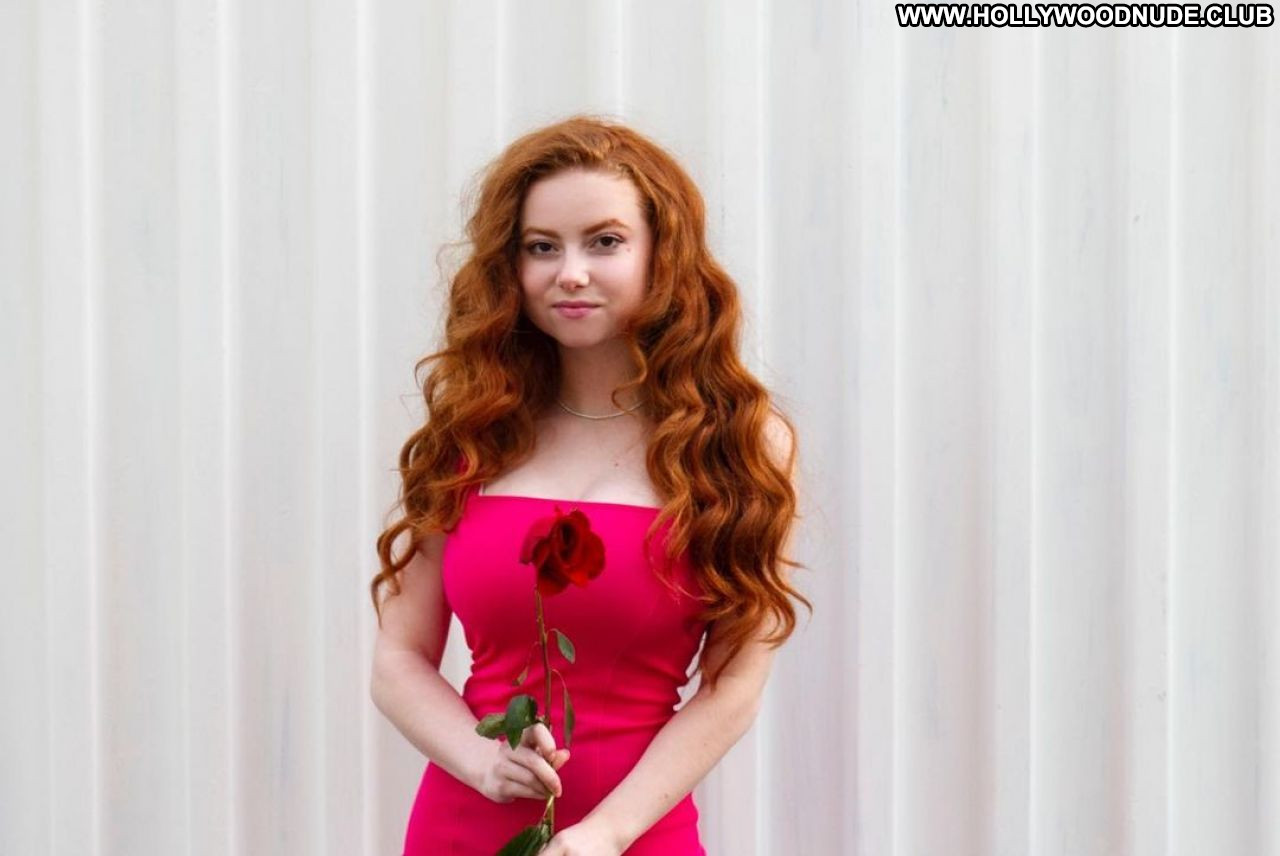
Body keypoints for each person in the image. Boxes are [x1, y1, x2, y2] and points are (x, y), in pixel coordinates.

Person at [369, 114, 812, 855]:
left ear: (662, 254)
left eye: (604, 242)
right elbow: (397, 660)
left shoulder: (738, 443)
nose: (569, 273)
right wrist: (481, 761)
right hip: (461, 828)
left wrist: (606, 834)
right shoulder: (473, 433)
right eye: (541, 247)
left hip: (633, 836)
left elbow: (733, 686)